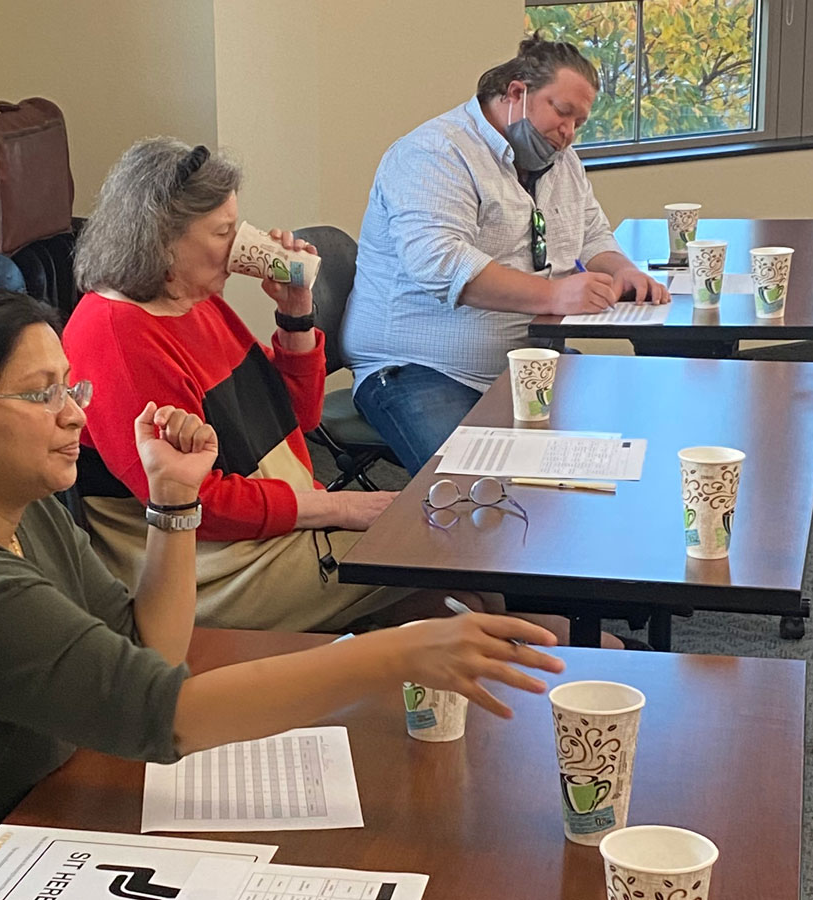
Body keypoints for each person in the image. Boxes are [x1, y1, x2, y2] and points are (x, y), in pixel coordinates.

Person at [0, 288, 565, 900]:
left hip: (2, 845)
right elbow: (172, 715)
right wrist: (395, 654)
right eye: (40, 395)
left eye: (72, 388)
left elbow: (148, 646)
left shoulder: (12, 511)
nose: (74, 415)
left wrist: (174, 500)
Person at [64, 137, 531, 633]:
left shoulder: (193, 302)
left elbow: (296, 418)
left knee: (467, 593)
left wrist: (295, 314)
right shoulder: (116, 335)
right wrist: (340, 506)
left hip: (276, 525)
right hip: (215, 567)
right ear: (162, 240)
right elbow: (197, 504)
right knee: (452, 555)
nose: (241, 244)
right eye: (224, 231)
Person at [341, 34, 671, 475]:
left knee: (624, 447)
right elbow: (439, 263)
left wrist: (623, 270)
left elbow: (591, 233)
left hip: (528, 360)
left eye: (580, 122)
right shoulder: (434, 153)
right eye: (562, 113)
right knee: (477, 493)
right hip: (420, 368)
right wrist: (554, 296)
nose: (569, 133)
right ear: (517, 93)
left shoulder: (561, 159)